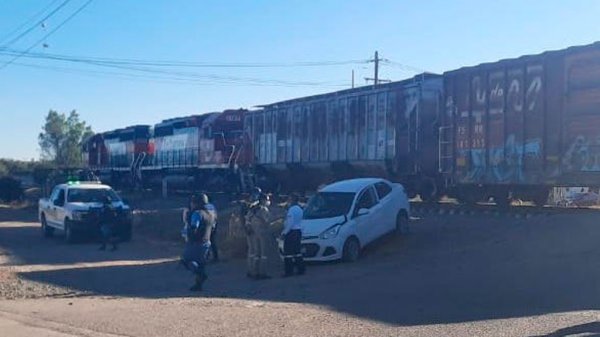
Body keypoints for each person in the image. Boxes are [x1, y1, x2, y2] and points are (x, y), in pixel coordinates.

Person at [181, 193, 214, 292]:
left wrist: (187, 233)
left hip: (196, 242)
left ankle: (200, 275)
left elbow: (194, 226)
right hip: (207, 241)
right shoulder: (210, 213)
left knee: (186, 260)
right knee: (201, 263)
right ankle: (198, 285)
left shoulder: (197, 213)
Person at [249, 193, 272, 280]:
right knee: (264, 254)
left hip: (254, 233)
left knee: (256, 254)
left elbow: (248, 220)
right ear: (263, 200)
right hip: (263, 233)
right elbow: (267, 221)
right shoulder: (264, 210)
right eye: (267, 199)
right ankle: (263, 272)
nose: (268, 201)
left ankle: (254, 271)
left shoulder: (253, 209)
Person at [281, 194, 305, 277]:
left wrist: (284, 233)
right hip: (298, 231)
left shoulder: (291, 210)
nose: (288, 201)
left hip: (291, 232)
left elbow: (290, 223)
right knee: (297, 251)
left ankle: (289, 271)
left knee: (288, 253)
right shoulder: (300, 209)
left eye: (289, 200)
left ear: (292, 200)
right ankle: (301, 269)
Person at [243, 187, 261, 278]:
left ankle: (251, 270)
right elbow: (246, 219)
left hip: (249, 229)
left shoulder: (247, 204)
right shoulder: (250, 205)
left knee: (252, 251)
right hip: (252, 230)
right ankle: (254, 271)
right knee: (255, 251)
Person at [205, 198, 219, 262]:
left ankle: (206, 256)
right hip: (213, 225)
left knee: (205, 241)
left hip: (206, 226)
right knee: (213, 241)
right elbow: (216, 216)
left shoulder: (204, 207)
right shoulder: (212, 206)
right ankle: (215, 257)